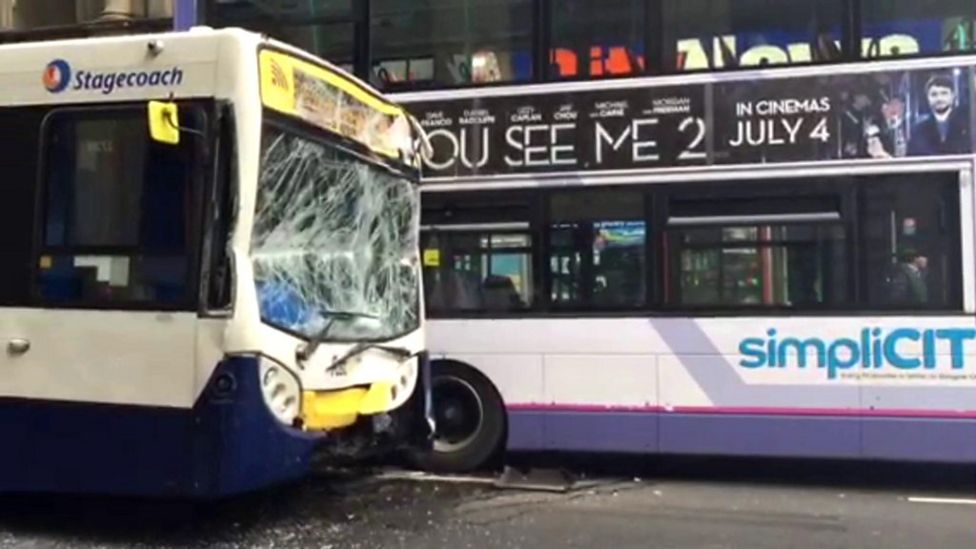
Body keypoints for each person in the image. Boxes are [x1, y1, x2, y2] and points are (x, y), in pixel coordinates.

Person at [907, 74, 970, 156]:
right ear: (927, 97)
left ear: (953, 96)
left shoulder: (967, 124)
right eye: (934, 94)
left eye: (944, 93)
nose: (939, 98)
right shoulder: (918, 129)